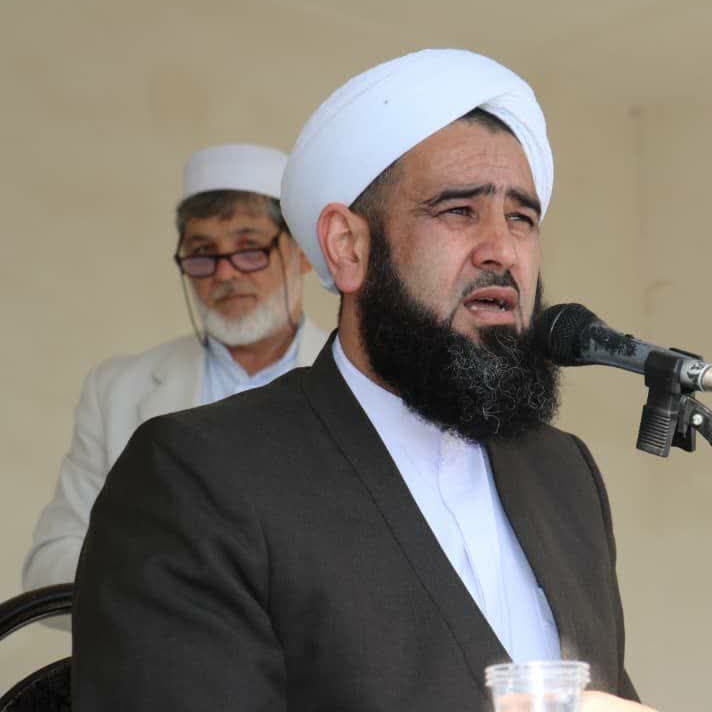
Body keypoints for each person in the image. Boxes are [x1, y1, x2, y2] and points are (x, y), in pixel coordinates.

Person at [73, 50, 652, 712]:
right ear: (348, 247)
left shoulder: (562, 472)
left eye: (521, 218)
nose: (502, 249)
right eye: (459, 211)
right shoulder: (199, 476)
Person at [23, 143, 328, 592]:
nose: (225, 274)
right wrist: (163, 572)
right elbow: (48, 565)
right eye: (203, 252)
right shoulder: (119, 390)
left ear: (302, 253)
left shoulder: (359, 380)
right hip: (163, 632)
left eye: (249, 249)